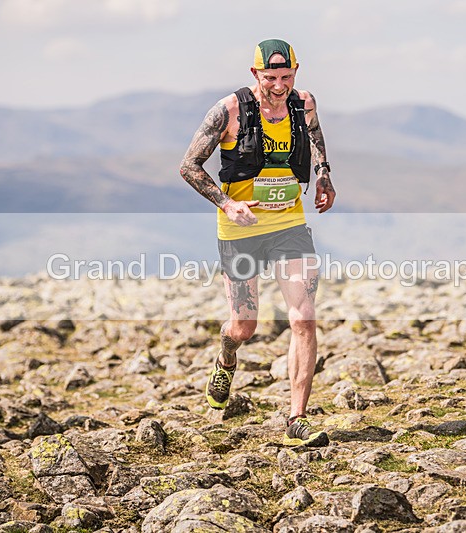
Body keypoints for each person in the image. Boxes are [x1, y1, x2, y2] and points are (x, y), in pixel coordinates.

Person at [180, 39, 335, 447]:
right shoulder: (229, 110)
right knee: (243, 327)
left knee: (303, 317)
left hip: (289, 225)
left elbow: (316, 140)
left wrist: (324, 175)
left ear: (295, 72)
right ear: (255, 74)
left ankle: (296, 419)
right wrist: (226, 203)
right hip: (241, 231)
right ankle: (226, 356)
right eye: (271, 78)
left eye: (286, 77)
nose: (279, 86)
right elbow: (189, 166)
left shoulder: (304, 104)